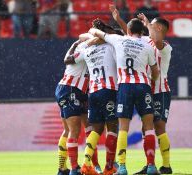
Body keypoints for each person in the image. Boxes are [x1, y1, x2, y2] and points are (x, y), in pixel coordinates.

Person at [89, 18, 160, 175]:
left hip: (125, 87)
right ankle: (151, 166)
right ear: (142, 32)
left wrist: (95, 32)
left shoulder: (118, 40)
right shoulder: (148, 46)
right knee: (148, 127)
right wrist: (150, 81)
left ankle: (121, 167)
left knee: (123, 128)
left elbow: (96, 32)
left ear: (128, 30)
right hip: (143, 86)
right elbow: (156, 72)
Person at [110, 5, 173, 174]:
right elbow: (130, 34)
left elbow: (157, 41)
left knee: (159, 126)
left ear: (158, 28)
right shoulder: (145, 42)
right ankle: (149, 164)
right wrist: (119, 20)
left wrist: (146, 23)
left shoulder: (164, 46)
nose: (146, 27)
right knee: (147, 128)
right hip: (146, 89)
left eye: (151, 24)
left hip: (160, 91)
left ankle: (166, 166)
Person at [64, 19, 121, 175]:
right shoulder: (111, 46)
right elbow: (117, 35)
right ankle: (110, 167)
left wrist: (90, 37)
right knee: (112, 127)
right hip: (109, 90)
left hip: (93, 93)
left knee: (96, 130)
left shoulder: (86, 50)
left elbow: (69, 59)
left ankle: (86, 164)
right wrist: (103, 31)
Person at [56, 40, 100, 175]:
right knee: (74, 130)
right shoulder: (85, 47)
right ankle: (74, 169)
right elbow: (67, 60)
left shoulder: (87, 46)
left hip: (79, 91)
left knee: (83, 129)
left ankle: (63, 169)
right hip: (70, 89)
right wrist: (75, 44)